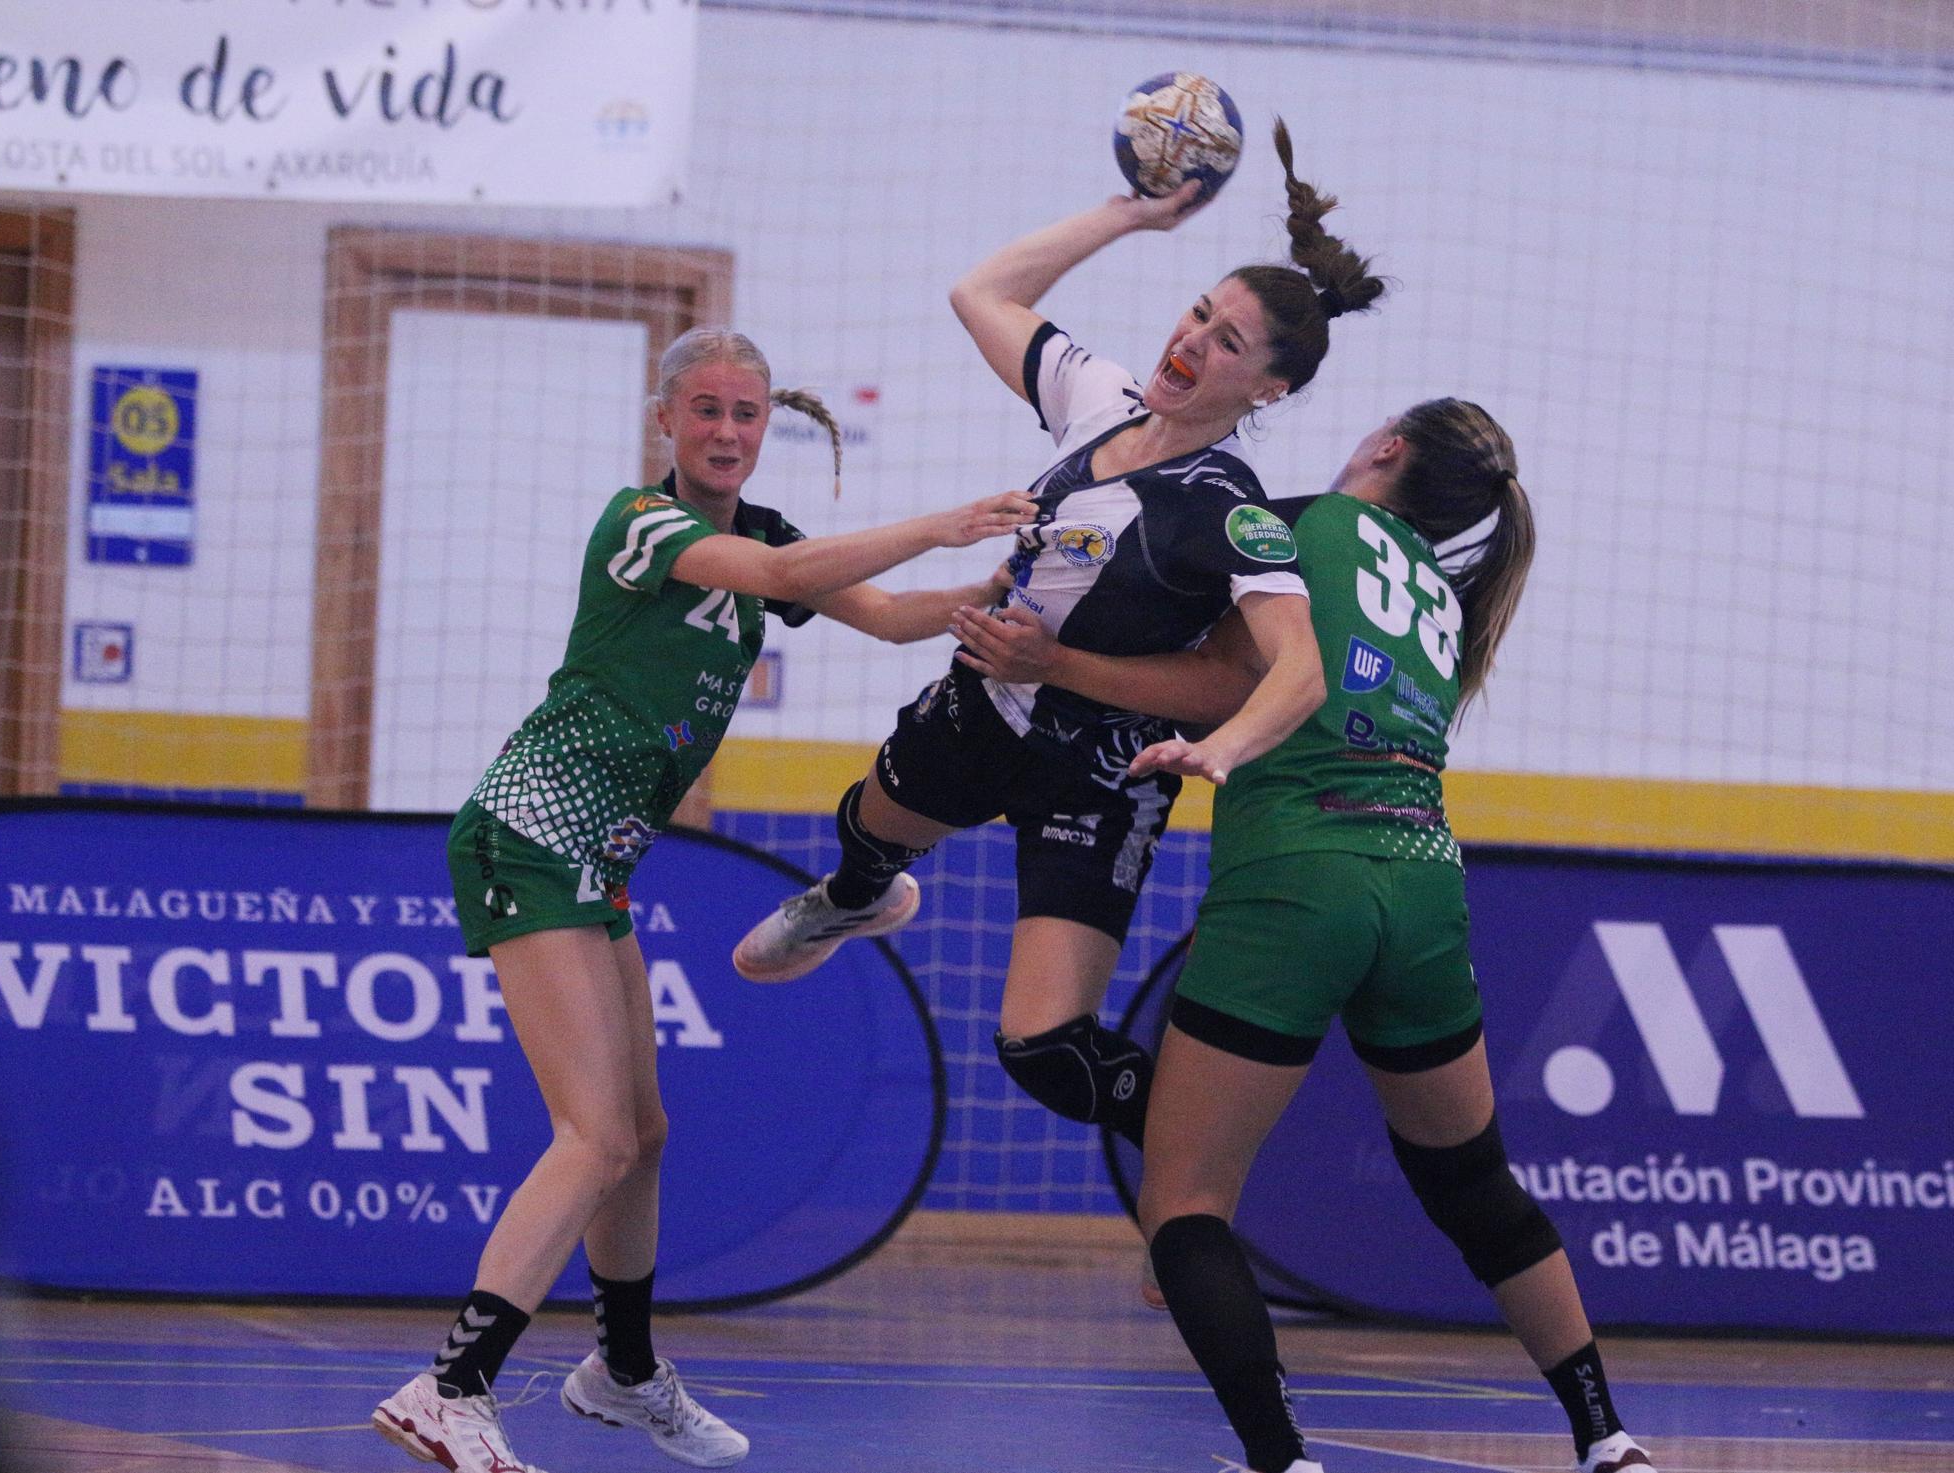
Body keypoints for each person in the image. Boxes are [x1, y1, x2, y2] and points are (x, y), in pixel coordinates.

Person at [370, 327, 1035, 1473]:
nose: (728, 432)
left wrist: (1004, 590)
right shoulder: (642, 526)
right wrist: (943, 517)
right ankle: (451, 1387)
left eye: (747, 414)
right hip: (530, 833)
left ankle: (620, 1372)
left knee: (644, 1136)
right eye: (707, 411)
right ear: (665, 420)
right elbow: (782, 582)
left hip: (599, 863)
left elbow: (880, 614)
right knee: (593, 1135)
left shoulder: (768, 535)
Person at [955, 399, 1658, 1473]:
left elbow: (1220, 682)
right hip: (1422, 877)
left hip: (1298, 871)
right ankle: (1605, 1433)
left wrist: (1056, 663)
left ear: (1385, 451)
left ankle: (1281, 1457)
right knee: (1471, 1181)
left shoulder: (1299, 528)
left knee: (1184, 1204)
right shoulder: (1435, 591)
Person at [732, 121, 1386, 1158]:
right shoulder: (1098, 402)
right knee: (867, 830)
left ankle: (1202, 1173)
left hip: (1101, 775)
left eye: (1225, 342)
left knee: (1045, 1056)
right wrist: (1130, 213)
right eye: (1198, 310)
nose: (1190, 341)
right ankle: (854, 901)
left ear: (1268, 389)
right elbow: (980, 294)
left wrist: (1185, 733)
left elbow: (1284, 672)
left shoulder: (1229, 509)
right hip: (983, 707)